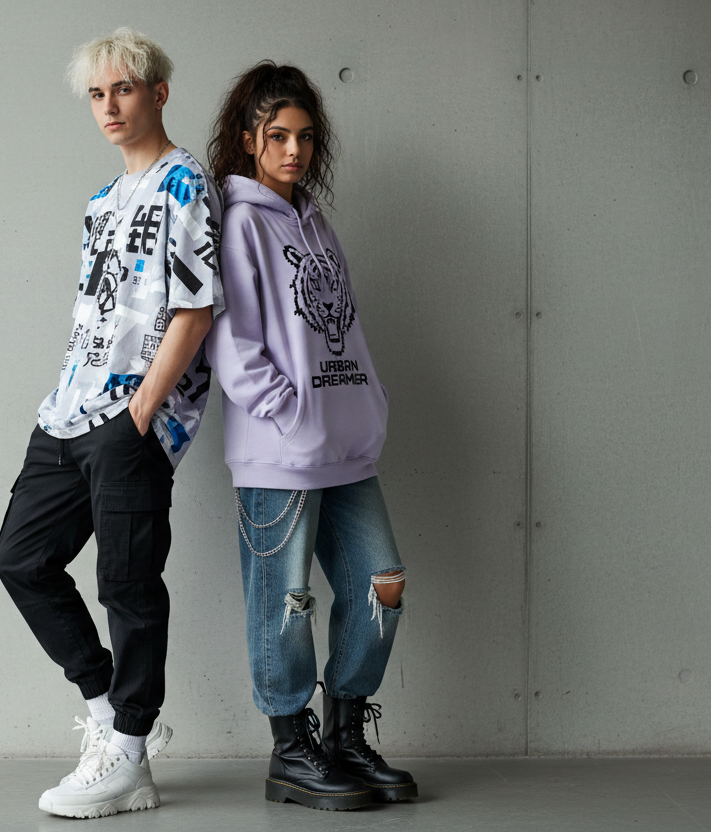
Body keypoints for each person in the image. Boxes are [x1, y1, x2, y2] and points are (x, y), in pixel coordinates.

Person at [0, 27, 222, 819]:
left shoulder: (184, 183)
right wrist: (72, 400)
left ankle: (128, 751)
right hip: (67, 413)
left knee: (127, 583)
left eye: (123, 89)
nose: (109, 106)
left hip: (130, 419)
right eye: (97, 94)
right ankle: (108, 718)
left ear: (158, 92)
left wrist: (143, 412)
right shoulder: (100, 202)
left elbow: (195, 307)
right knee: (21, 559)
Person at [205, 62, 417, 811]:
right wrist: (291, 414)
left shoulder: (316, 224)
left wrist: (368, 403)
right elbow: (232, 344)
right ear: (248, 139)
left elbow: (343, 333)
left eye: (304, 137)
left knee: (381, 585)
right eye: (278, 137)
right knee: (286, 602)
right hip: (278, 454)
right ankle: (291, 751)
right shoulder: (238, 223)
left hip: (347, 447)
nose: (293, 150)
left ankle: (346, 738)